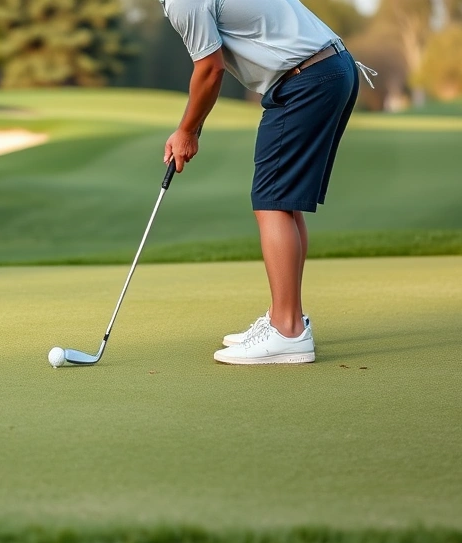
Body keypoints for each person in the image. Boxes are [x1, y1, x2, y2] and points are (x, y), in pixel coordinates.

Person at [159, 0, 374, 365]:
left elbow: (210, 70)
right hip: (329, 68)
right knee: (284, 201)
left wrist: (186, 130)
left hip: (305, 79)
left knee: (271, 201)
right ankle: (284, 317)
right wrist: (192, 127)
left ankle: (287, 331)